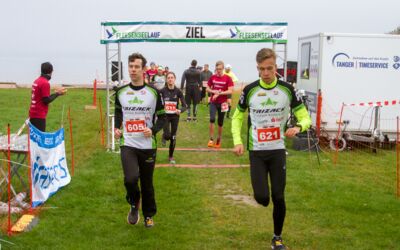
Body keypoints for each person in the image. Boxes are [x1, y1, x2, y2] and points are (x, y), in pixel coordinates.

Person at [231, 48, 311, 250]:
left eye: (269, 68)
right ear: (257, 68)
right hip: (256, 151)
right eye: (261, 69)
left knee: (279, 196)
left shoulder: (287, 89)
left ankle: (277, 237)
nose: (265, 73)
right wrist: (237, 140)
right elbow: (237, 116)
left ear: (276, 67)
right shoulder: (249, 90)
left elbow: (305, 117)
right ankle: (262, 196)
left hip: (277, 151)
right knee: (262, 198)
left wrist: (298, 127)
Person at [114, 53, 166, 228]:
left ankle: (149, 215)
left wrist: (152, 130)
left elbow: (163, 118)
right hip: (128, 143)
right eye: (131, 66)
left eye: (137, 67)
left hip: (147, 145)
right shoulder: (121, 92)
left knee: (146, 183)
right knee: (130, 179)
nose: (133, 70)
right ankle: (134, 203)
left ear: (144, 69)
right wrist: (116, 128)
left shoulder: (154, 93)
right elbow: (119, 113)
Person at [28, 62, 67, 132]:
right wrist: (58, 94)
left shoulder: (37, 81)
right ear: (51, 71)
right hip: (39, 116)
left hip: (33, 113)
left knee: (34, 140)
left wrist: (56, 93)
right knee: (40, 140)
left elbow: (42, 97)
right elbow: (46, 100)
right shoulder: (45, 83)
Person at [160, 72, 187, 164]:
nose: (170, 79)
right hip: (166, 116)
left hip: (175, 116)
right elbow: (158, 103)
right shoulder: (162, 91)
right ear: (166, 80)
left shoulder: (178, 91)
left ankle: (171, 156)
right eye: (168, 78)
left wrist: (180, 110)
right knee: (168, 136)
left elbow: (184, 105)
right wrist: (161, 108)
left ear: (174, 79)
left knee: (173, 137)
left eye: (172, 77)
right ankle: (164, 135)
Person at [206, 60, 233, 148]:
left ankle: (218, 139)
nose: (219, 71)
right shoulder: (212, 77)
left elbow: (230, 90)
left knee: (220, 122)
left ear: (223, 69)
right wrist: (213, 91)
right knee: (212, 119)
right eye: (217, 69)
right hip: (213, 102)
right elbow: (207, 88)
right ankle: (211, 139)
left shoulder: (228, 78)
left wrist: (219, 94)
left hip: (223, 103)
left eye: (220, 69)